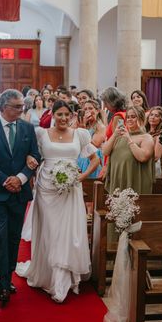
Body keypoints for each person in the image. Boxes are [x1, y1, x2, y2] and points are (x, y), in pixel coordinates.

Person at [17, 101, 99, 303]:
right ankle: (48, 274)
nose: (63, 118)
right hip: (47, 188)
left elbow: (95, 159)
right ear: (52, 115)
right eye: (59, 114)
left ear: (72, 115)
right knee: (50, 231)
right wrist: (30, 160)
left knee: (67, 232)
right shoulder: (41, 134)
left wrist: (81, 177)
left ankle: (63, 280)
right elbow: (31, 155)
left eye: (66, 114)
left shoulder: (80, 135)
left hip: (71, 189)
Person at [0, 89, 41, 305]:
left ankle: (8, 275)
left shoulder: (27, 128)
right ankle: (1, 284)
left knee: (13, 237)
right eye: (17, 106)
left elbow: (35, 156)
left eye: (22, 106)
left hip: (20, 192)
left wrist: (21, 178)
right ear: (3, 106)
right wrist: (6, 180)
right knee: (0, 237)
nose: (22, 109)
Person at [103, 105, 155, 194]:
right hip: (117, 180)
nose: (129, 119)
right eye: (128, 117)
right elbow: (105, 151)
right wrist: (114, 134)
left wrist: (129, 139)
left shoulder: (146, 137)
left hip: (134, 181)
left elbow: (143, 157)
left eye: (133, 117)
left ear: (141, 119)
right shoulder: (119, 136)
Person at [77, 99, 106, 178]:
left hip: (93, 159)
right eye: (85, 109)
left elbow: (95, 144)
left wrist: (82, 128)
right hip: (82, 157)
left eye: (90, 108)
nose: (87, 111)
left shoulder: (101, 126)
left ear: (97, 111)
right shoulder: (86, 126)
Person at [145, 106, 162, 178]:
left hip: (153, 166)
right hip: (143, 165)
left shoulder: (160, 135)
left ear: (161, 119)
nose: (153, 117)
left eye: (156, 116)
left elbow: (156, 156)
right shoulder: (145, 132)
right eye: (151, 115)